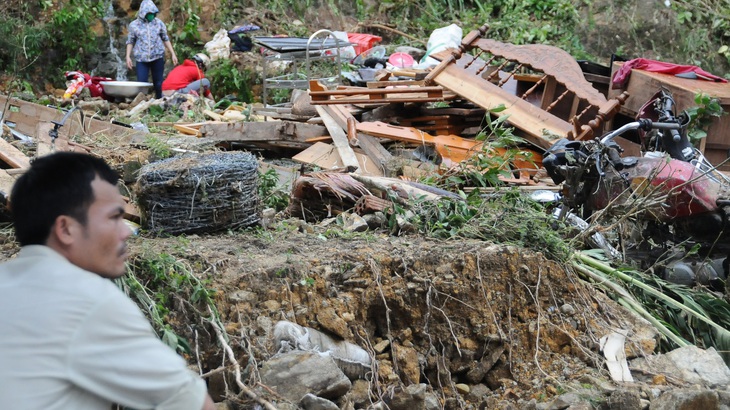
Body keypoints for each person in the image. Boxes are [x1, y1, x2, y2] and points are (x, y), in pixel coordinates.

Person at [0, 152, 215, 410]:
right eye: (114, 218)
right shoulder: (89, 301)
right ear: (66, 229)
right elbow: (194, 403)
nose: (127, 232)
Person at [125, 0, 178, 99]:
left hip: (157, 57)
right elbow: (130, 41)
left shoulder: (158, 23)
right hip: (142, 59)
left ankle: (159, 103)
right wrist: (128, 56)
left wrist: (173, 53)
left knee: (158, 84)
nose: (151, 16)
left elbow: (165, 38)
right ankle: (141, 105)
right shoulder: (134, 25)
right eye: (149, 14)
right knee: (141, 84)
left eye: (153, 14)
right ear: (143, 13)